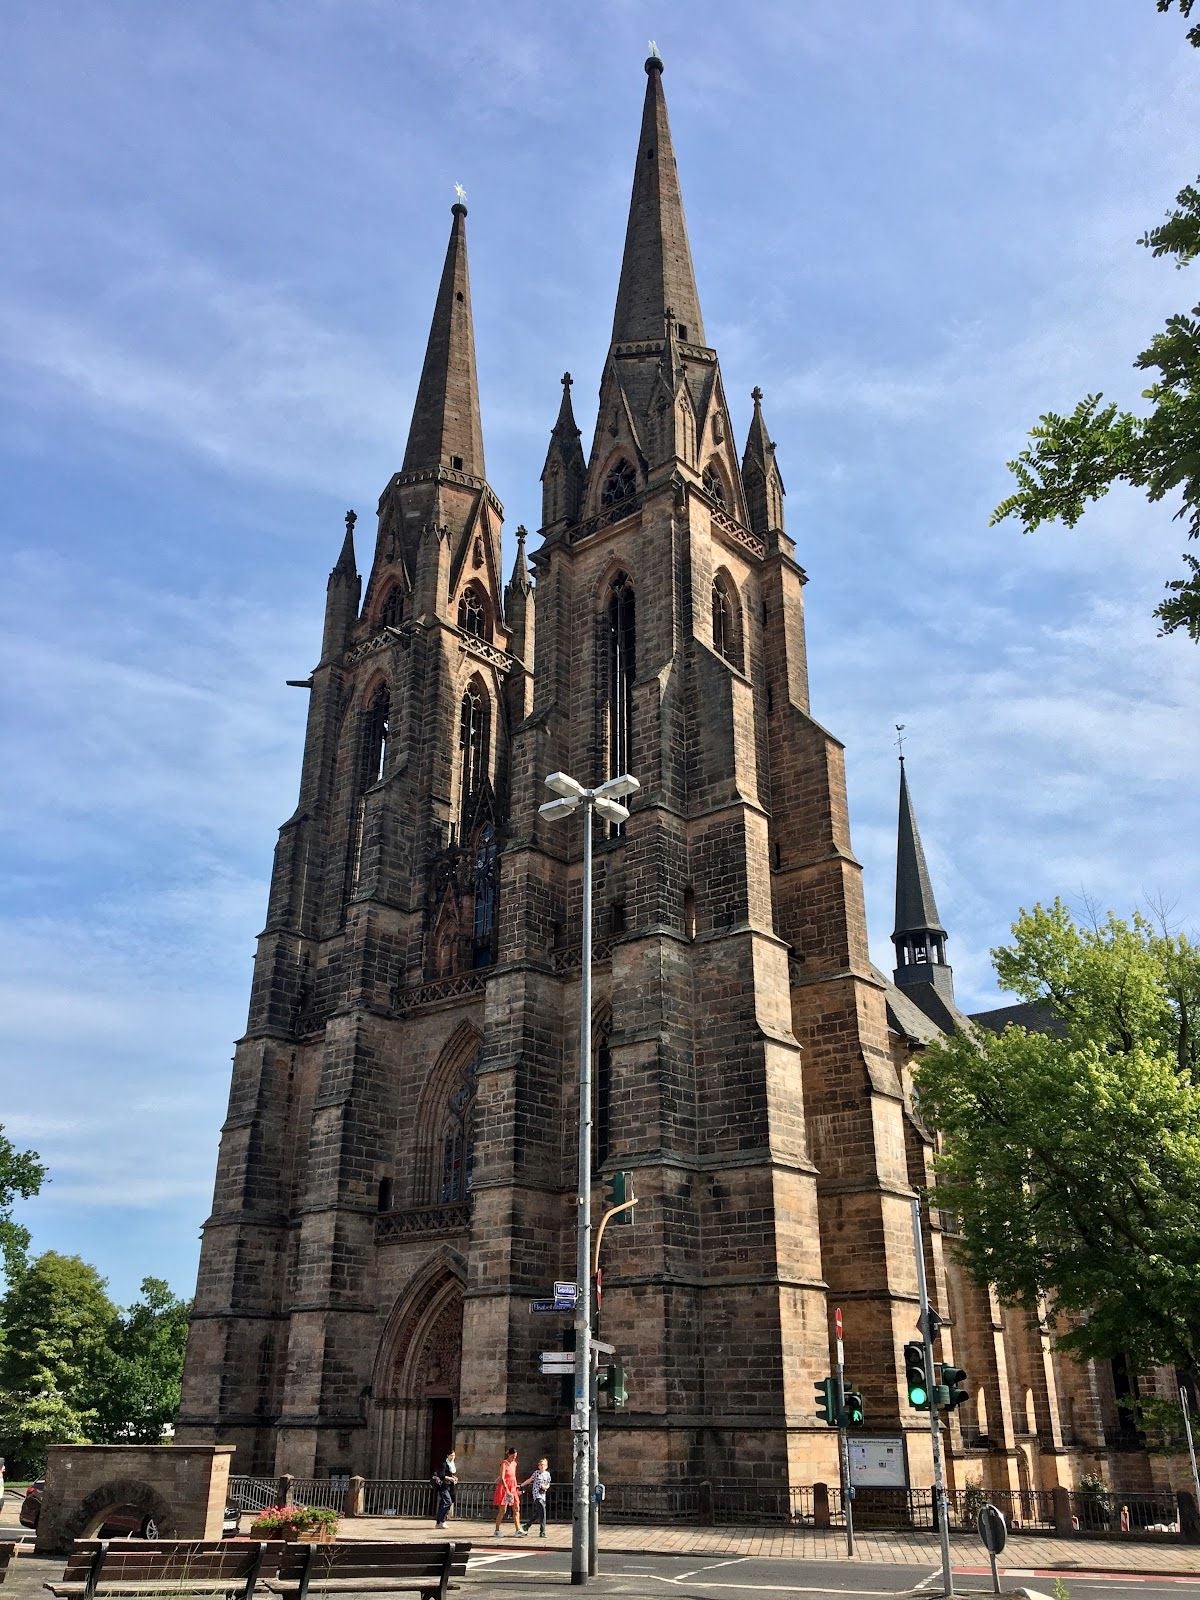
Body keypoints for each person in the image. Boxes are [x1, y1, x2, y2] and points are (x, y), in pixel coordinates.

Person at [492, 1447, 527, 1537]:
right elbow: (502, 1477)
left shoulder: (514, 1464)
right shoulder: (504, 1463)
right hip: (505, 1489)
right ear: (509, 1455)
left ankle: (518, 1530)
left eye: (515, 1456)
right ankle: (497, 1530)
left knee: (516, 1508)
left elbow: (513, 1476)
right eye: (512, 1456)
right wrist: (506, 1489)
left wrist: (516, 1487)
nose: (514, 1458)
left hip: (513, 1489)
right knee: (503, 1510)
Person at [521, 1457, 551, 1538]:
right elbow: (530, 1480)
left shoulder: (547, 1474)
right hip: (537, 1495)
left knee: (538, 1513)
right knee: (543, 1512)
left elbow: (548, 1483)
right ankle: (542, 1531)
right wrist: (522, 1485)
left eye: (543, 1465)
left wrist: (545, 1487)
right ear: (538, 1466)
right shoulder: (536, 1473)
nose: (542, 1466)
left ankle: (526, 1526)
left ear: (546, 1466)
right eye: (540, 1465)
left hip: (543, 1494)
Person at [432, 1446, 457, 1529]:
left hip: (449, 1486)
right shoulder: (443, 1463)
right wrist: (450, 1478)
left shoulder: (451, 1464)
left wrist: (454, 1477)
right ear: (447, 1455)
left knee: (446, 1503)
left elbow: (449, 1473)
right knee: (447, 1501)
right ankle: (441, 1521)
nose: (453, 1457)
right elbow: (441, 1475)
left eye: (454, 1455)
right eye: (451, 1455)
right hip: (443, 1486)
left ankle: (440, 1522)